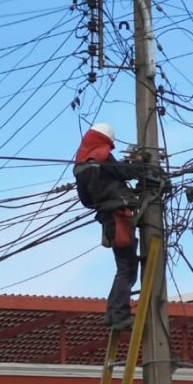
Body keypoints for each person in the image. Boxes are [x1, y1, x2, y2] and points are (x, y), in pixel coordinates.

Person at [73, 123, 143, 330]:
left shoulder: (83, 166)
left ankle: (113, 314)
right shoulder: (102, 157)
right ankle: (119, 315)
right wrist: (141, 167)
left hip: (107, 218)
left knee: (123, 267)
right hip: (119, 216)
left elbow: (86, 201)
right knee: (127, 269)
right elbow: (122, 172)